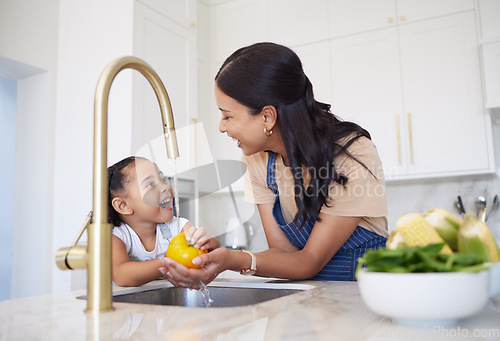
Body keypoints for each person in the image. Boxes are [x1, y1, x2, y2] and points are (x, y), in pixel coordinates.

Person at [160, 42, 388, 288]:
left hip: (361, 299)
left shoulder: (353, 154)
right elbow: (283, 252)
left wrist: (233, 260)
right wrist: (221, 256)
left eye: (227, 116)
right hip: (305, 297)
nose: (221, 127)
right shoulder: (257, 160)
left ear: (267, 116)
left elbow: (309, 261)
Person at [108, 156, 219, 287]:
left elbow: (211, 255)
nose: (165, 186)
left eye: (162, 179)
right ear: (123, 206)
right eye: (150, 184)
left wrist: (210, 243)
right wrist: (171, 260)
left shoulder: (177, 226)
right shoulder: (117, 236)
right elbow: (122, 276)